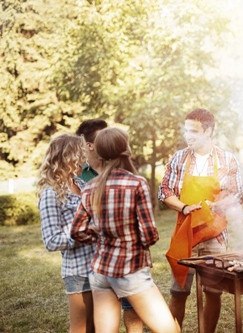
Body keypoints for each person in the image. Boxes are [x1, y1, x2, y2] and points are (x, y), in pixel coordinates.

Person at [71, 127, 179, 333]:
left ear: (100, 153)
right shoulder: (137, 183)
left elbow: (77, 231)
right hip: (130, 271)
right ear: (126, 149)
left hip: (100, 272)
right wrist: (126, 237)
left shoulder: (89, 187)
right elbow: (150, 235)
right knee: (170, 330)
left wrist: (101, 234)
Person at [158, 108, 243, 333]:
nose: (188, 135)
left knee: (212, 292)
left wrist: (218, 205)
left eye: (194, 131)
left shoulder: (227, 159)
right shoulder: (179, 158)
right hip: (185, 235)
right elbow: (164, 191)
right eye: (186, 130)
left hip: (215, 236)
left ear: (208, 130)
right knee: (178, 293)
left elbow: (235, 194)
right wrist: (184, 207)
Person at [76, 119, 144, 332]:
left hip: (126, 258)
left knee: (132, 308)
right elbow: (79, 224)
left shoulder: (122, 172)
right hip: (94, 259)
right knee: (100, 320)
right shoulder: (79, 176)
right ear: (90, 145)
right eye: (103, 135)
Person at [38, 134, 95, 333]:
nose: (84, 158)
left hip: (99, 265)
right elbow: (51, 241)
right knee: (81, 329)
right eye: (80, 154)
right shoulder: (50, 192)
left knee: (97, 327)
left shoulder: (81, 184)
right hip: (78, 271)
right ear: (67, 156)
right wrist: (85, 233)